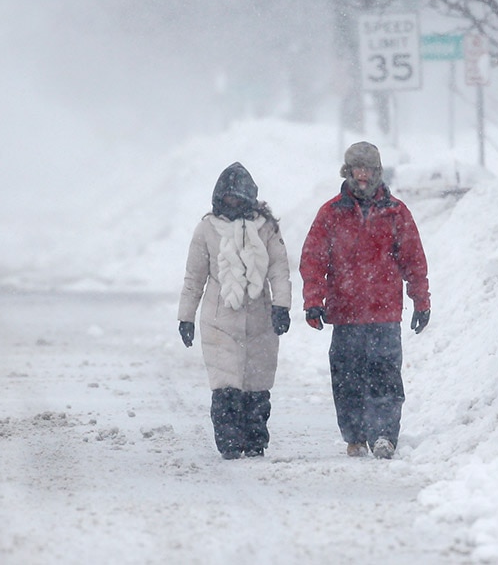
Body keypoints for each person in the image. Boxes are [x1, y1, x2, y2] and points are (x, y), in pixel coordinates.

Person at [299, 141, 431, 460]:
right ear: (347, 171)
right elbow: (313, 259)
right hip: (345, 314)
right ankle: (355, 435)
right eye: (357, 169)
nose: (363, 175)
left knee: (386, 376)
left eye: (368, 169)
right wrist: (313, 300)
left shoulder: (396, 212)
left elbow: (413, 260)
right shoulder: (331, 213)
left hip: (384, 314)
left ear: (377, 171)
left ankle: (385, 434)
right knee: (347, 381)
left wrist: (421, 301)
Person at [178, 162, 292, 460]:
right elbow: (194, 278)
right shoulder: (206, 230)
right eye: (228, 198)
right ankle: (228, 440)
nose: (233, 203)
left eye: (238, 198)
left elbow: (280, 268)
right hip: (219, 319)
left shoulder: (266, 228)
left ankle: (255, 440)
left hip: (260, 319)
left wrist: (281, 305)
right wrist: (185, 317)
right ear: (218, 198)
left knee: (257, 385)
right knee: (226, 385)